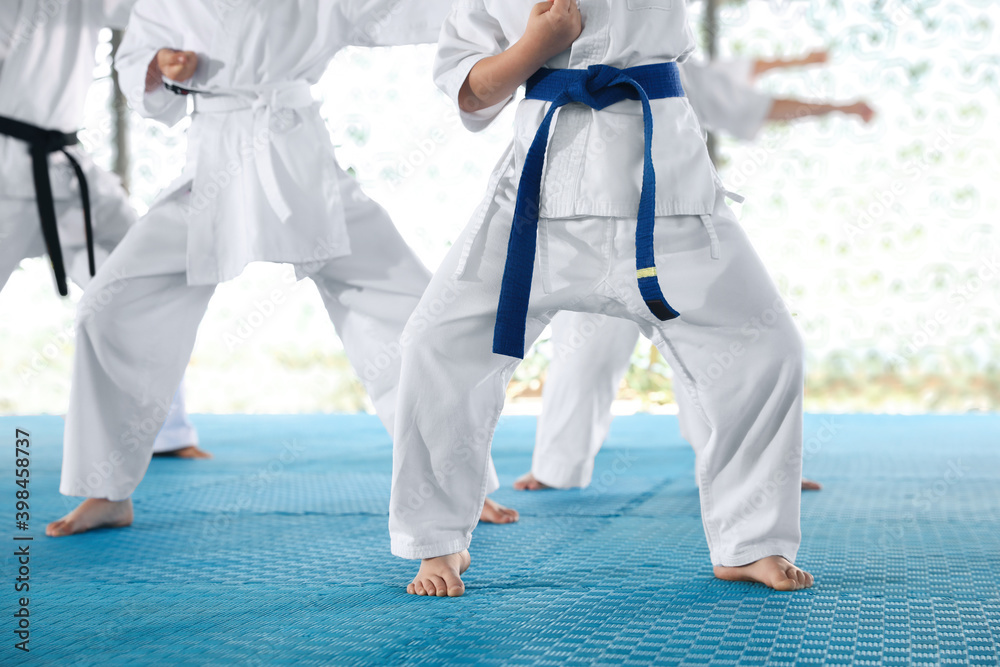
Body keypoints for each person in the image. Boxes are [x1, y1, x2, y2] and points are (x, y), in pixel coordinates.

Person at [46, 0, 518, 538]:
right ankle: (106, 490)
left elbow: (410, 11)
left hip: (298, 159)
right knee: (111, 307)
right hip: (211, 167)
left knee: (407, 312)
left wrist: (507, 17)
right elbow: (140, 63)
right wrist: (160, 67)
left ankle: (457, 488)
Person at [390, 0, 814, 597]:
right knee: (437, 345)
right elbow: (471, 92)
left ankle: (751, 543)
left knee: (766, 349)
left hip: (666, 192)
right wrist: (539, 42)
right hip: (538, 198)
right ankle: (437, 542)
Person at [516, 58, 876, 494]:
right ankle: (556, 468)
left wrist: (838, 108)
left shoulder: (673, 68)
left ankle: (752, 470)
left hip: (670, 230)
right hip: (585, 226)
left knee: (712, 354)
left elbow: (757, 102)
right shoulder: (563, 66)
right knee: (583, 356)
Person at [0, 0, 205, 459]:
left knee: (141, 280)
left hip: (65, 168)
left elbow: (151, 11)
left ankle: (164, 430)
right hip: (5, 168)